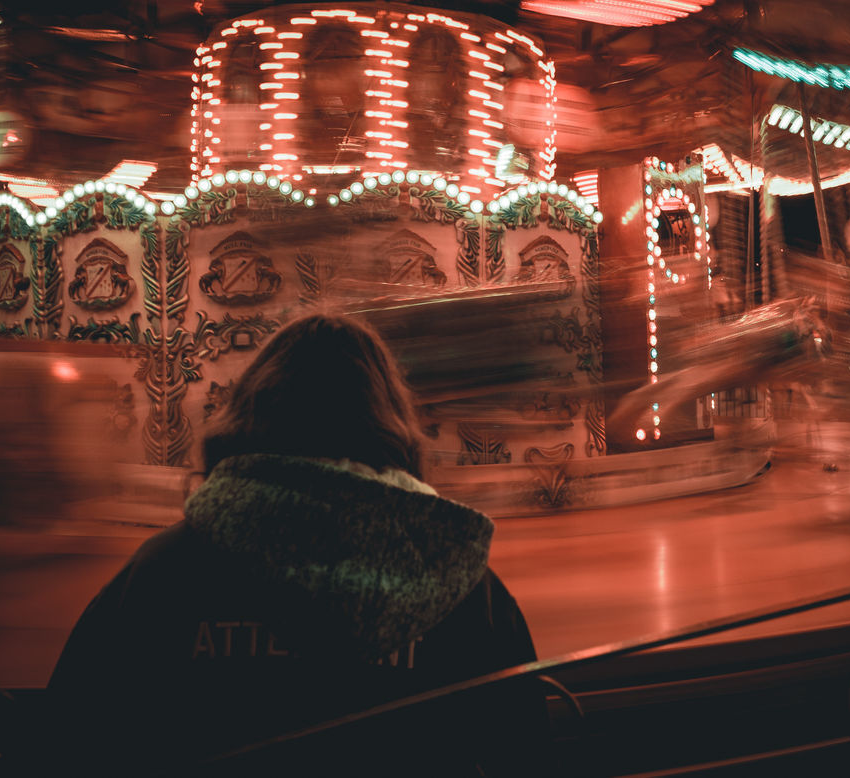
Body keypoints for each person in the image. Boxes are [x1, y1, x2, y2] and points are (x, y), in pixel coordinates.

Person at [43, 313, 545, 775]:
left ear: (251, 414)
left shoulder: (164, 570)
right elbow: (520, 742)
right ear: (389, 423)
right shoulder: (456, 573)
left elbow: (74, 732)